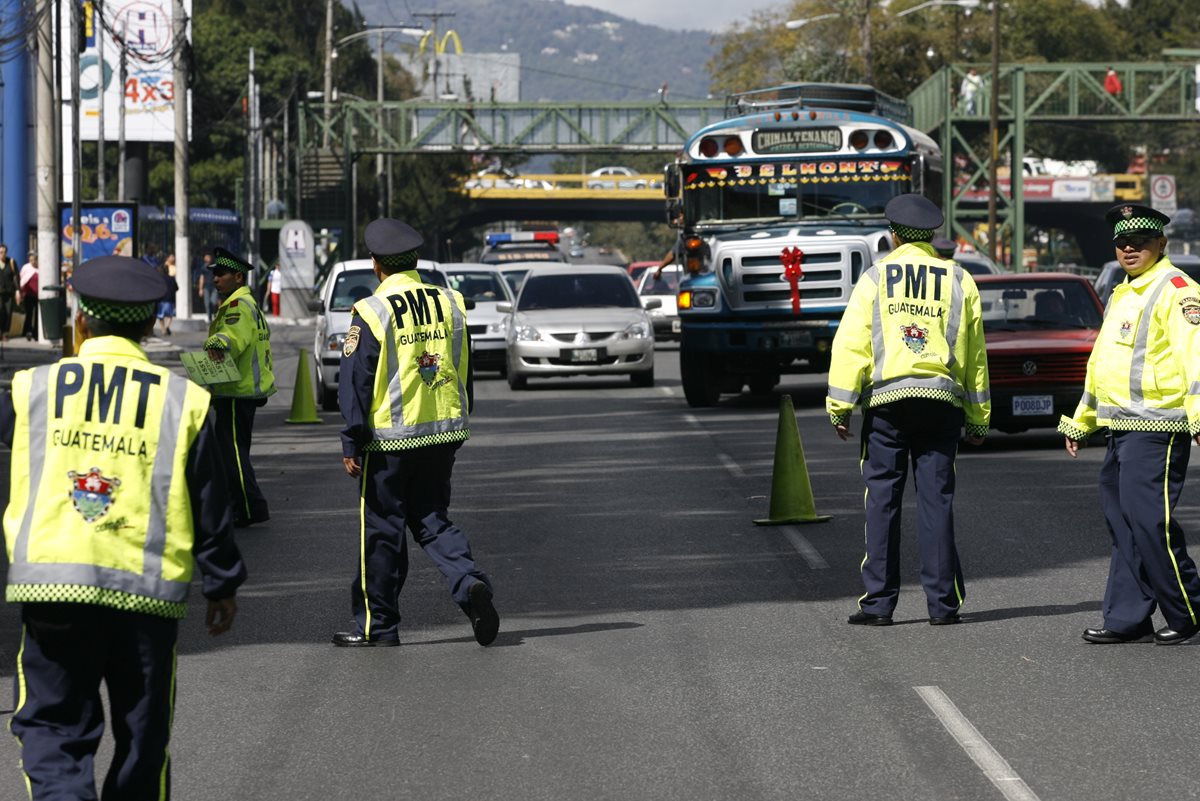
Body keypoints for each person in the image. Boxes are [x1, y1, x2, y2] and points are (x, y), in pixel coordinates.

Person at [1, 254, 246, 799]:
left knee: (53, 728)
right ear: (148, 323)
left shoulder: (32, 389)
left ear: (81, 321)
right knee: (142, 739)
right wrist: (222, 581)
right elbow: (212, 502)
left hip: (52, 589)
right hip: (145, 599)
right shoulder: (185, 400)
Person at [826, 194, 991, 627]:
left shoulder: (876, 277)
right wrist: (978, 418)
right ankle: (943, 605)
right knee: (937, 502)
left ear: (894, 235)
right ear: (933, 236)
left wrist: (840, 406)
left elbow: (851, 344)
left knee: (882, 501)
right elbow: (975, 357)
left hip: (888, 406)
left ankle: (878, 604)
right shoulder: (960, 280)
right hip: (941, 403)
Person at [332, 217, 498, 648]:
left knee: (383, 531)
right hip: (443, 433)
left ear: (376, 265)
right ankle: (468, 582)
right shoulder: (450, 302)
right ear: (416, 260)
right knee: (432, 519)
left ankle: (378, 626)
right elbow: (464, 366)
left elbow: (356, 382)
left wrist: (352, 438)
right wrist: (461, 418)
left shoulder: (372, 310)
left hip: (389, 442)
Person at [1060, 204, 1200, 646]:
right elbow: (1102, 367)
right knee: (1123, 524)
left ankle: (1189, 608)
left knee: (1147, 522)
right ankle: (1126, 618)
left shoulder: (1177, 290)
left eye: (1139, 241)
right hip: (1121, 429)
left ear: (1161, 243)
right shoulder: (1124, 292)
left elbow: (1195, 355)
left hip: (1159, 429)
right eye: (1122, 242)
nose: (1128, 248)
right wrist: (1080, 421)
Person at [205, 247, 276, 528]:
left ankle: (249, 508)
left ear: (238, 277)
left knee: (233, 453)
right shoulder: (242, 304)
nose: (215, 279)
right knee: (233, 452)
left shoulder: (238, 307)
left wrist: (218, 342)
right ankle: (242, 506)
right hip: (237, 390)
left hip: (237, 390)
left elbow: (234, 338)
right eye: (214, 274)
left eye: (221, 274)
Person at [155, 254, 178, 336]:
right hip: (170, 300)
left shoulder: (159, 279)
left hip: (161, 300)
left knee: (161, 316)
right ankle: (168, 326)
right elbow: (176, 288)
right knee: (170, 316)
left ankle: (163, 329)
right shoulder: (172, 279)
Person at [18, 251, 38, 341]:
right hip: (28, 295)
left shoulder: (40, 268)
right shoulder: (26, 268)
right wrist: (20, 292)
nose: (33, 262)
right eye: (31, 260)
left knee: (38, 315)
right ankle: (27, 331)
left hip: (38, 296)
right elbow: (21, 279)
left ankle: (36, 333)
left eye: (35, 260)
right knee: (29, 314)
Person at [0, 243, 17, 340]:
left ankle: (5, 333)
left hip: (9, 292)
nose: (2, 254)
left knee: (8, 312)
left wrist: (18, 291)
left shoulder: (11, 262)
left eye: (4, 252)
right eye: (0, 252)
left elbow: (15, 277)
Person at [198, 252, 219, 323]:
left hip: (214, 288)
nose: (208, 258)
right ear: (204, 258)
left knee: (213, 302)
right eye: (206, 257)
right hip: (206, 287)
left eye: (209, 257)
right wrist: (200, 289)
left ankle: (213, 314)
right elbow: (201, 278)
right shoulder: (203, 268)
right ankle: (209, 318)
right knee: (207, 303)